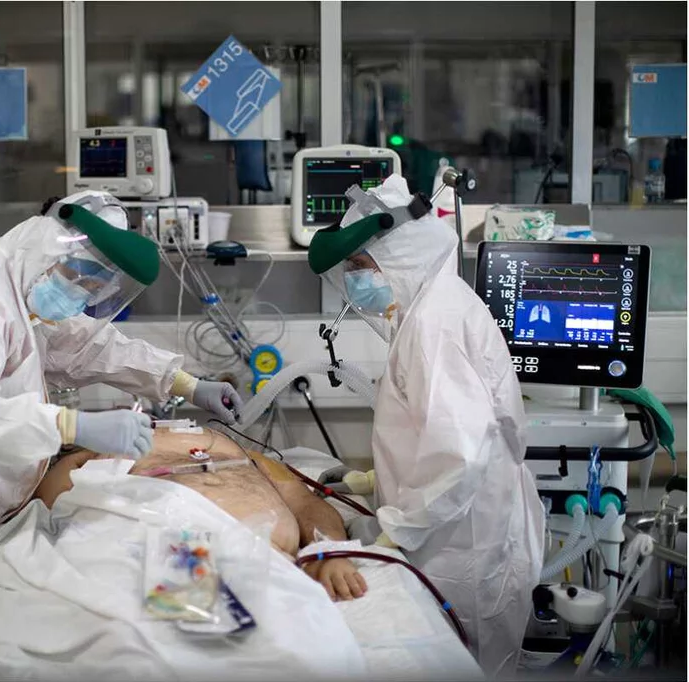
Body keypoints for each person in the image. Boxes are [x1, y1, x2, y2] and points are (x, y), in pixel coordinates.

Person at [0, 190, 243, 661]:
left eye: (93, 287)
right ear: (51, 243)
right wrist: (71, 426)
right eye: (78, 276)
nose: (79, 292)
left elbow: (89, 347)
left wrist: (183, 382)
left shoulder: (27, 284)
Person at [309, 175, 544, 676]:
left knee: (466, 663)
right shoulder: (426, 311)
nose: (353, 280)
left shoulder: (435, 326)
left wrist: (391, 535)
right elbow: (433, 433)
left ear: (401, 253)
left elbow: (460, 458)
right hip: (452, 529)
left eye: (358, 266)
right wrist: (374, 482)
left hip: (465, 546)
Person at [34, 426, 368, 602]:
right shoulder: (99, 450)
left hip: (264, 559)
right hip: (156, 550)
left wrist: (329, 550)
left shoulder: (242, 452)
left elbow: (304, 502)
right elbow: (54, 513)